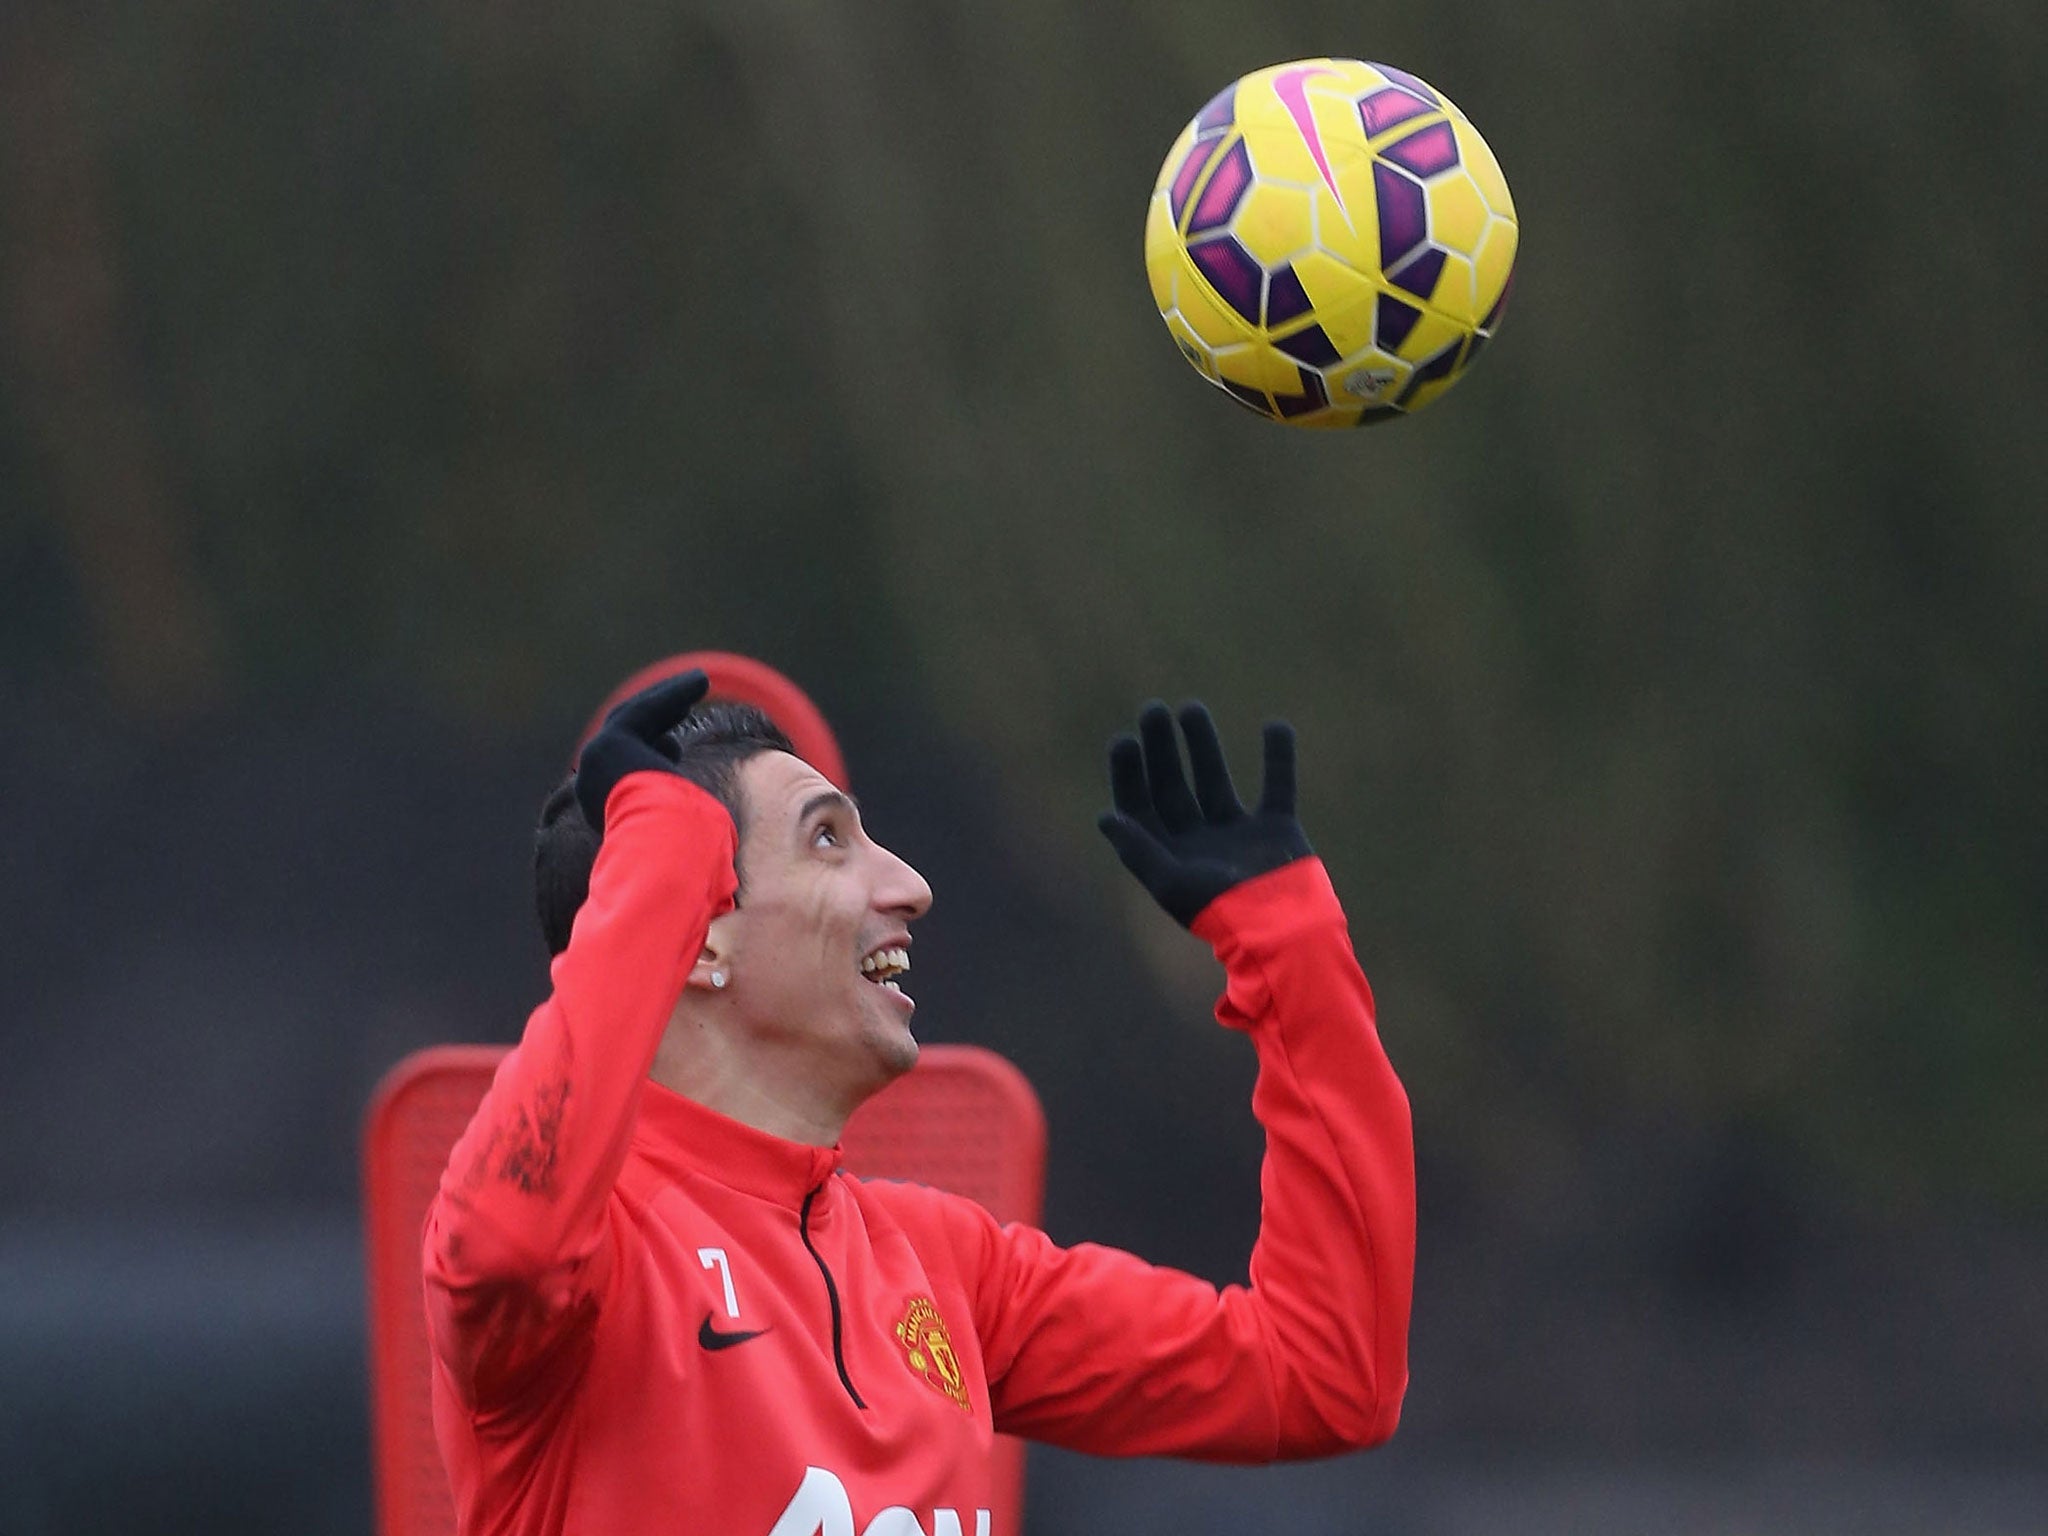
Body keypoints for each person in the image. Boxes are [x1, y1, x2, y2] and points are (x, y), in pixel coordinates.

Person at [424, 671, 1416, 1536]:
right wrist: (659, 854)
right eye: (827, 839)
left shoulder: (949, 1266)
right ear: (703, 932)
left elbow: (1323, 1377)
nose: (911, 885)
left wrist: (1288, 948)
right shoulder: (594, 1259)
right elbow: (505, 1243)